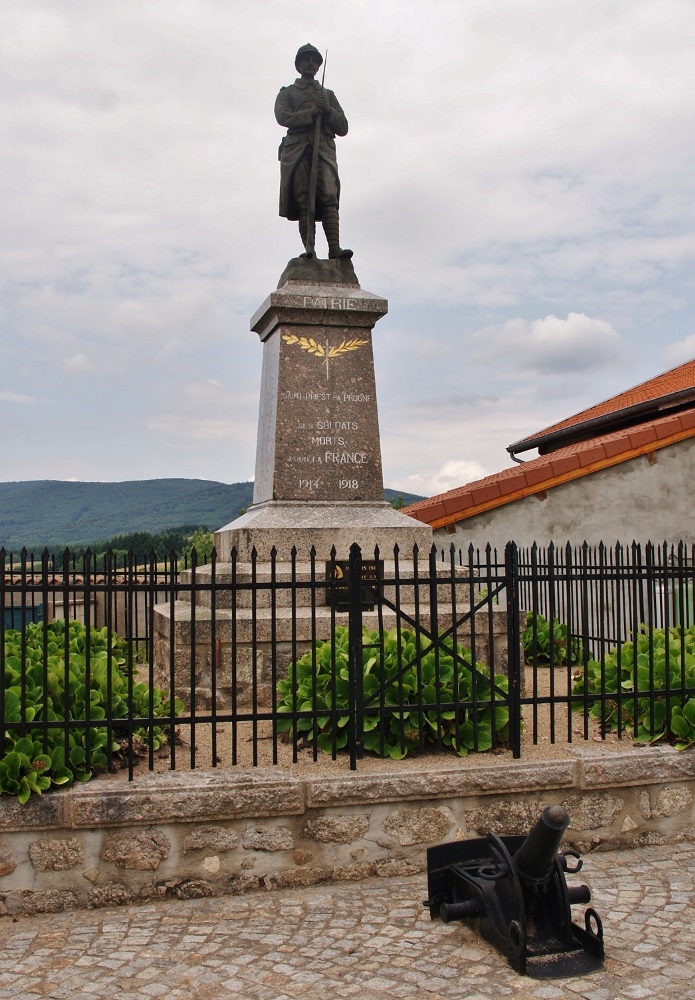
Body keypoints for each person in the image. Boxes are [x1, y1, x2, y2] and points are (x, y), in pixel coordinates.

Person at [275, 43, 352, 259]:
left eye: (314, 60)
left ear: (318, 66)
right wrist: (310, 113)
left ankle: (334, 248)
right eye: (306, 60)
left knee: (328, 196)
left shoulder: (327, 95)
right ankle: (310, 250)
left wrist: (327, 110)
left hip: (323, 149)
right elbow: (283, 117)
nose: (310, 63)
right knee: (303, 199)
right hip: (297, 149)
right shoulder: (288, 93)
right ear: (298, 65)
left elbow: (343, 126)